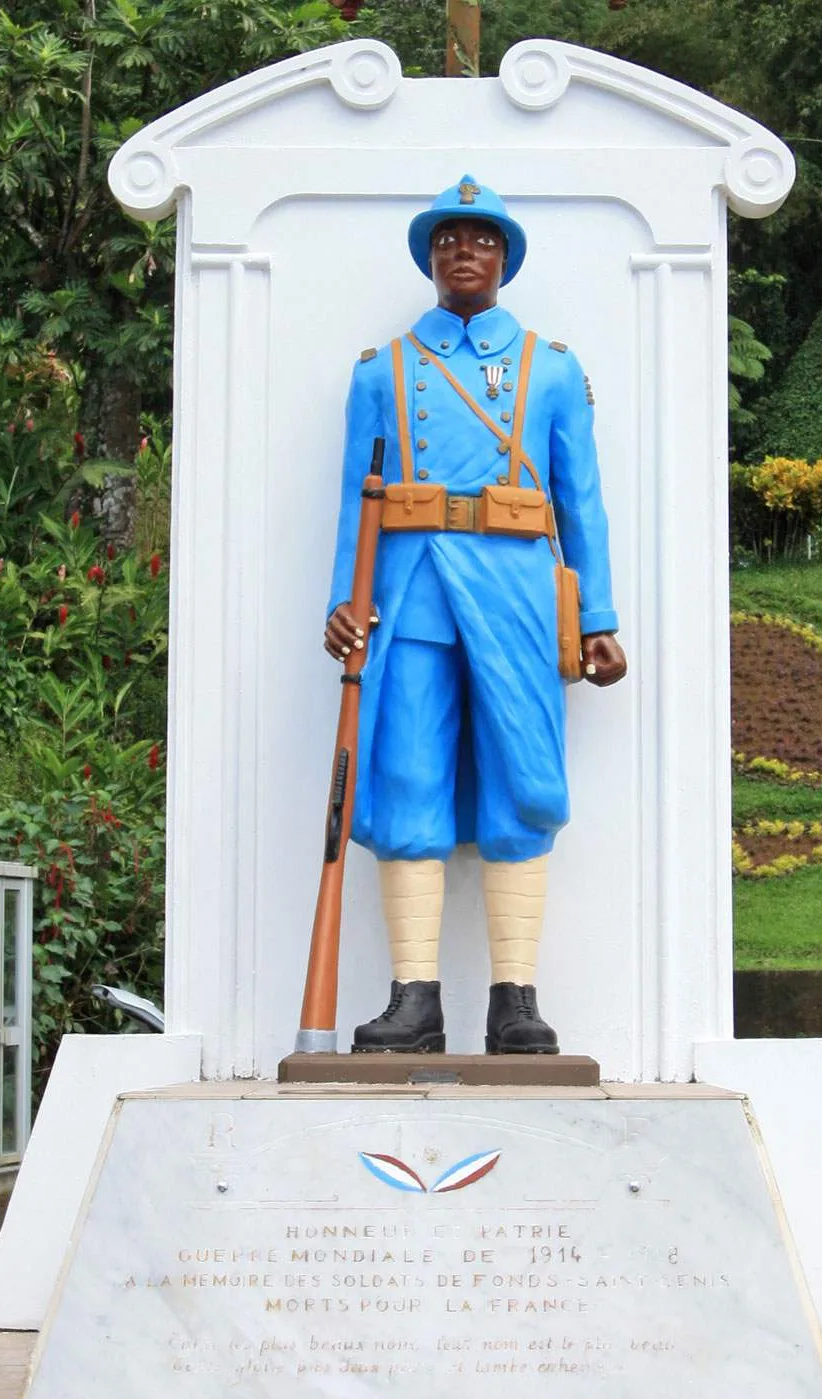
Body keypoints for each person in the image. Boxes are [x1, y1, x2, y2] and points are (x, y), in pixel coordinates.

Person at [323, 175, 626, 1056]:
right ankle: (414, 997)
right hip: (412, 584)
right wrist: (348, 599)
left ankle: (515, 999)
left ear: (504, 260)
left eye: (483, 240)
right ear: (430, 258)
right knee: (408, 774)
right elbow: (357, 498)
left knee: (523, 779)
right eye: (451, 239)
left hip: (517, 586)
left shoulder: (553, 370)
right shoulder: (383, 371)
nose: (466, 251)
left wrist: (598, 613)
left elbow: (583, 501)